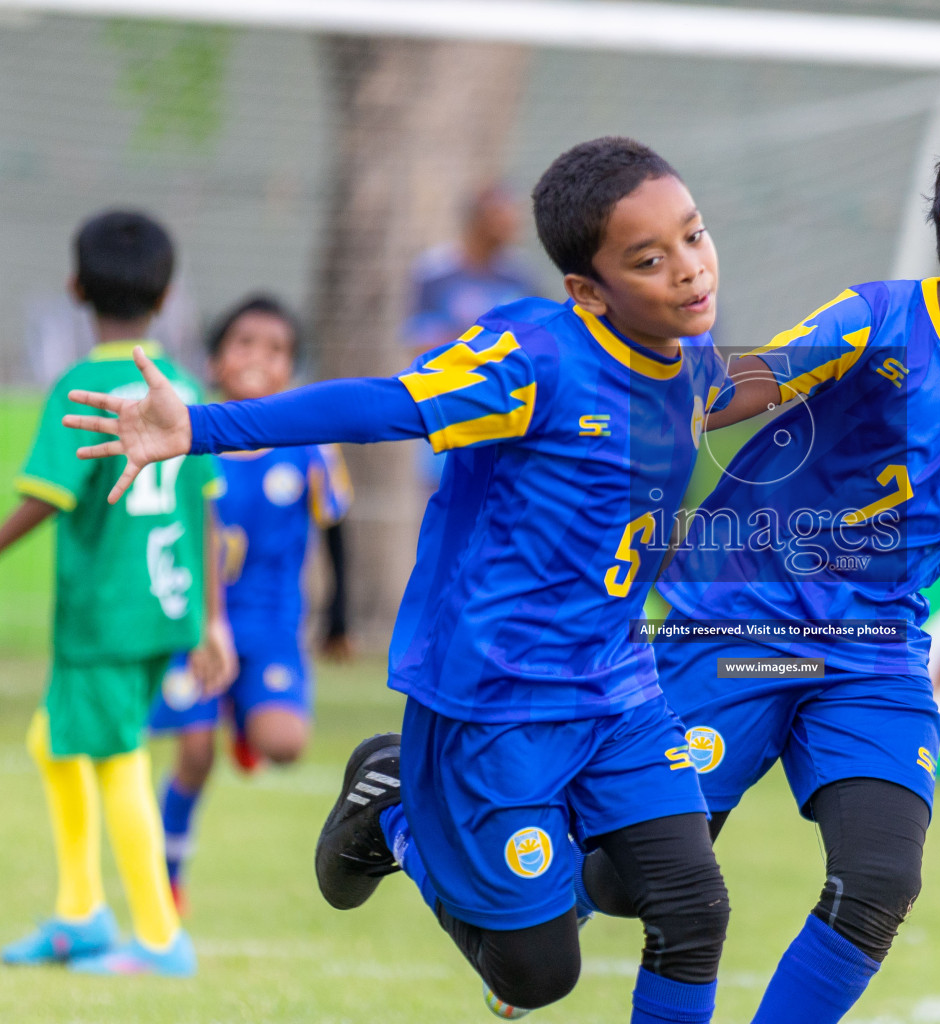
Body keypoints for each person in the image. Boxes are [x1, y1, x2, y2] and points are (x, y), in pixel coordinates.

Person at [64, 138, 734, 1024]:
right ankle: (394, 812)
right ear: (587, 289)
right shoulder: (532, 359)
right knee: (538, 977)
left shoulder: (697, 361)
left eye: (694, 237)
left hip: (617, 685)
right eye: (650, 260)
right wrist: (198, 426)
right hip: (496, 698)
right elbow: (384, 404)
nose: (689, 270)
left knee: (693, 909)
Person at [579, 99, 940, 1024]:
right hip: (738, 625)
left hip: (873, 654)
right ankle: (419, 807)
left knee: (881, 879)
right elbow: (739, 386)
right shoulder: (878, 320)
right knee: (620, 880)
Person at [0, 210, 234, 976]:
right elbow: (205, 508)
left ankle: (160, 940)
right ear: (166, 296)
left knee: (115, 757)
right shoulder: (184, 386)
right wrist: (211, 621)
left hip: (102, 615)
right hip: (164, 607)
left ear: (75, 287)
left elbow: (47, 496)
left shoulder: (83, 385)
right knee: (52, 741)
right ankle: (79, 916)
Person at [146, 295, 352, 913]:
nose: (259, 358)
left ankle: (248, 717)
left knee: (285, 745)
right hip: (196, 627)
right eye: (244, 344)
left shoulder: (310, 446)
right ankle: (167, 875)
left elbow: (338, 529)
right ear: (214, 360)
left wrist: (338, 617)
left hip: (271, 627)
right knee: (194, 755)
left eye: (277, 349)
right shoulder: (187, 441)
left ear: (292, 368)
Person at [404, 185, 542, 492]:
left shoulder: (520, 276)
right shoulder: (435, 274)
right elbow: (422, 345)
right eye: (501, 215)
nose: (512, 223)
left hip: (506, 417)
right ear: (477, 220)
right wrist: (491, 344)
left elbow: (535, 347)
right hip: (448, 413)